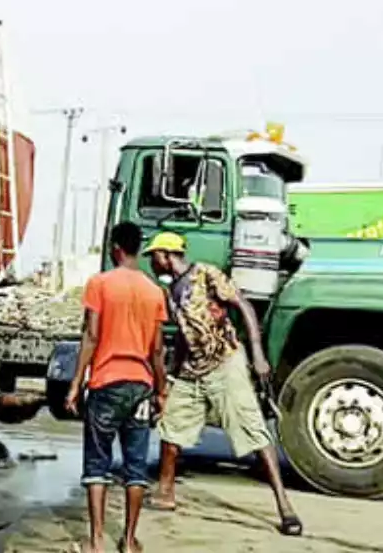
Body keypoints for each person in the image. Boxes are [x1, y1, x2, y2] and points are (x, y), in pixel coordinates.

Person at [141, 231, 303, 536]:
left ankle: (284, 507)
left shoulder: (205, 273)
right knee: (171, 428)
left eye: (154, 257)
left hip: (225, 362)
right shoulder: (172, 290)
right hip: (193, 370)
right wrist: (175, 375)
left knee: (253, 431)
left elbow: (243, 305)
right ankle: (165, 493)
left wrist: (257, 353)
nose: (152, 263)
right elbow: (186, 336)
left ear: (166, 254)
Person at [65, 222, 169, 553]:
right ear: (138, 249)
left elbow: (91, 336)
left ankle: (96, 541)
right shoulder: (155, 292)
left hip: (106, 383)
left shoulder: (100, 284)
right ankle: (128, 540)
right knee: (135, 467)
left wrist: (75, 383)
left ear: (115, 249)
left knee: (98, 463)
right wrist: (161, 390)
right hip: (141, 386)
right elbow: (157, 350)